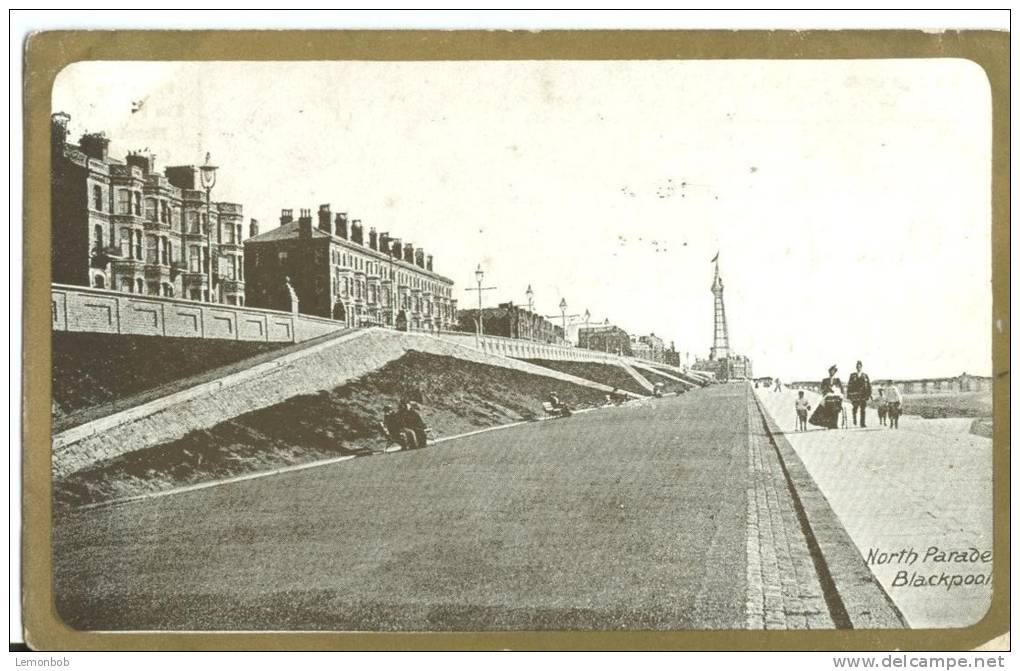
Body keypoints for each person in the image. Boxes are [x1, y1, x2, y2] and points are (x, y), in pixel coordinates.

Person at [809, 365, 844, 430]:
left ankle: (835, 424)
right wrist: (827, 389)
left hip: (836, 397)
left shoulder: (837, 380)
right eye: (831, 371)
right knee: (828, 410)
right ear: (829, 372)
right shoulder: (825, 380)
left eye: (833, 371)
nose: (832, 372)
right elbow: (822, 388)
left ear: (835, 372)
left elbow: (841, 388)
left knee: (835, 410)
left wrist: (840, 394)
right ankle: (829, 424)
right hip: (828, 397)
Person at [846, 360, 873, 428]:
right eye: (857, 367)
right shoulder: (852, 375)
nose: (859, 368)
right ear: (856, 367)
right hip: (855, 395)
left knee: (863, 409)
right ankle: (854, 419)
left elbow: (869, 385)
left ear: (861, 367)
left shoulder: (865, 375)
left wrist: (870, 394)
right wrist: (849, 394)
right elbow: (849, 385)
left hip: (863, 395)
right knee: (855, 408)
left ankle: (862, 423)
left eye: (860, 367)